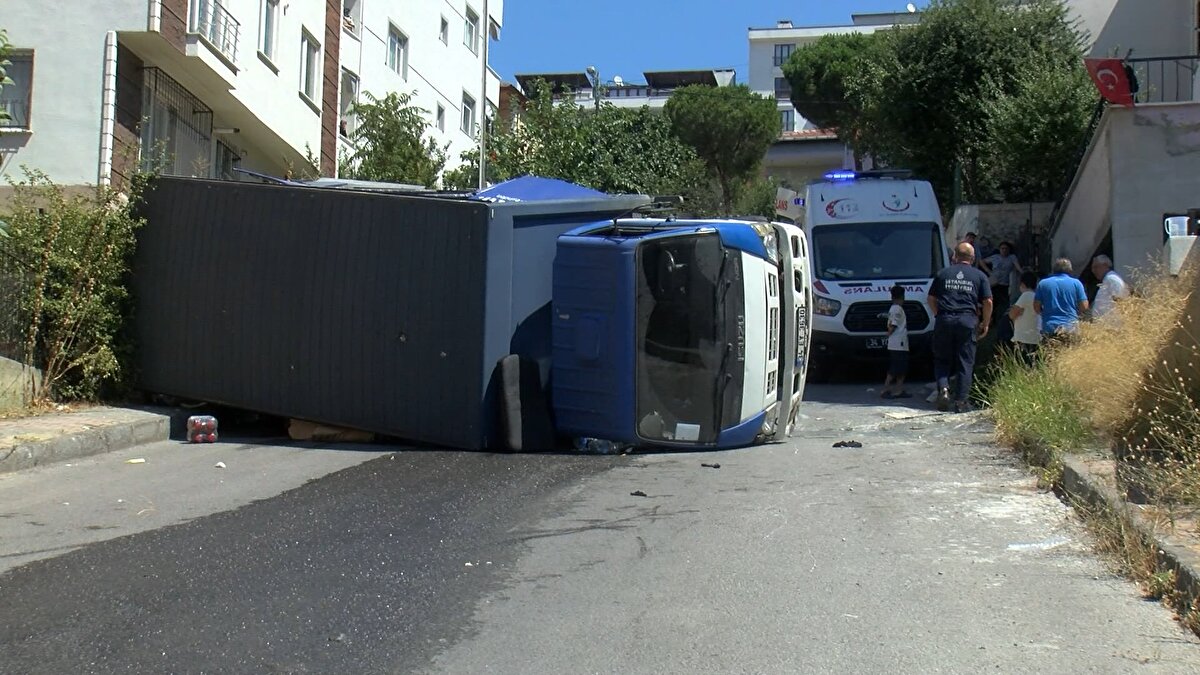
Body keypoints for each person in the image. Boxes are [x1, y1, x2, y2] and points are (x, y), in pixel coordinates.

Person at [927, 242, 993, 413]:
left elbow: (931, 298)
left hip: (945, 319)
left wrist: (938, 315)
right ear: (972, 258)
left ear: (954, 256)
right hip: (967, 320)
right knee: (965, 361)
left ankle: (944, 389)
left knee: (942, 358)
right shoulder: (979, 276)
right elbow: (988, 302)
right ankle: (961, 402)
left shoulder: (943, 273)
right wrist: (985, 323)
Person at [1034, 257, 1089, 345]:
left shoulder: (1043, 283)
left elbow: (1036, 307)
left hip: (1049, 326)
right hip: (1071, 327)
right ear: (1070, 270)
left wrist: (1044, 314)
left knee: (1051, 356)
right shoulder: (1076, 283)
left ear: (1054, 270)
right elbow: (1084, 306)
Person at [980, 241, 1023, 342]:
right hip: (994, 284)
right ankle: (989, 324)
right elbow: (981, 261)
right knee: (992, 303)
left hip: (1004, 285)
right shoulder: (995, 257)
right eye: (1002, 248)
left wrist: (1023, 272)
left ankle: (1001, 324)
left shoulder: (1012, 258)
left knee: (1004, 306)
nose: (1004, 250)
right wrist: (988, 272)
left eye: (1006, 249)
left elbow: (1017, 267)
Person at [882, 284, 911, 399]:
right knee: (895, 367)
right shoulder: (897, 309)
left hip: (898, 343)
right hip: (899, 343)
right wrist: (888, 334)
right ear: (902, 297)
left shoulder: (892, 308)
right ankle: (885, 389)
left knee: (901, 368)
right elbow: (893, 325)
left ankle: (899, 389)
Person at [1008, 271, 1040, 363]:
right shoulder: (1037, 296)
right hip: (1035, 337)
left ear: (1022, 284)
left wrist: (1016, 312)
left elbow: (1012, 314)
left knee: (1022, 365)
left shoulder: (1026, 295)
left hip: (1023, 338)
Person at [1090, 254, 1129, 320]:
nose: (1093, 271)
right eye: (1092, 268)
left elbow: (1120, 300)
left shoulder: (1111, 279)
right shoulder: (1107, 279)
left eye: (1096, 267)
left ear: (1105, 265)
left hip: (1112, 324)